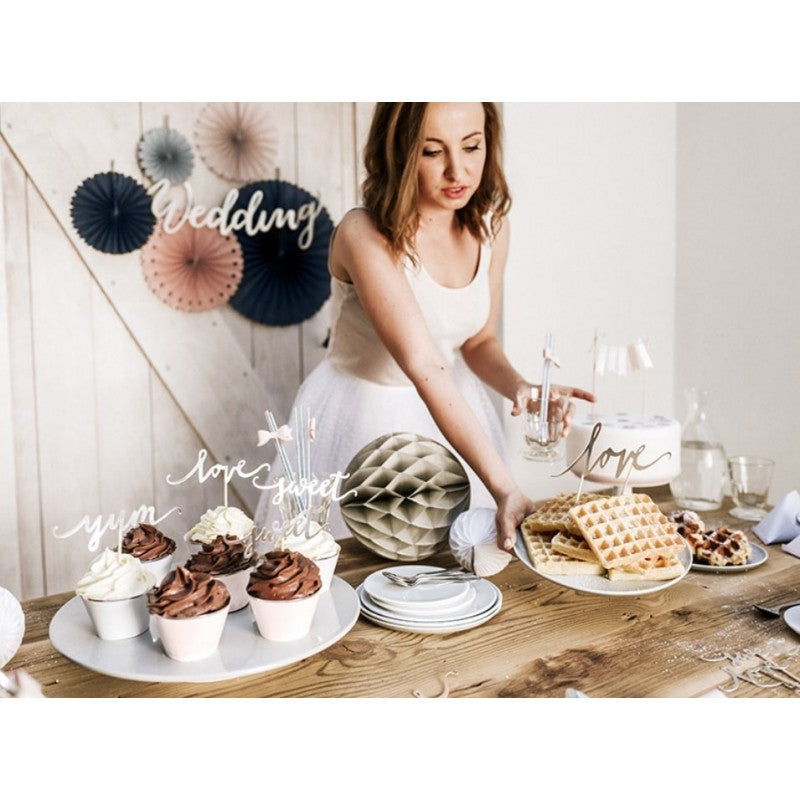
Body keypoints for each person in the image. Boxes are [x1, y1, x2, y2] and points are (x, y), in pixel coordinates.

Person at [254, 102, 594, 551]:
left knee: (458, 565)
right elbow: (425, 364)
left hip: (455, 411)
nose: (458, 171)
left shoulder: (492, 225)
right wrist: (504, 487)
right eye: (432, 151)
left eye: (471, 146)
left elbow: (478, 341)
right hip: (362, 416)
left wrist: (521, 388)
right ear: (397, 151)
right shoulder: (363, 233)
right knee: (344, 566)